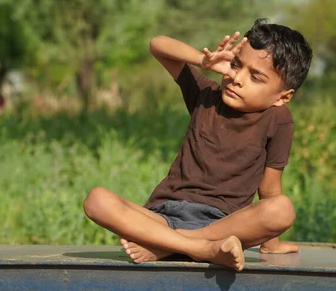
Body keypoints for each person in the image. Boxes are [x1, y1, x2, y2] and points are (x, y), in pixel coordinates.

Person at [83, 18, 313, 271]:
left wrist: (271, 244)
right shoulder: (205, 95)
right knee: (97, 200)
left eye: (256, 78)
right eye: (236, 65)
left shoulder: (278, 120)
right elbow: (158, 45)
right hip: (162, 218)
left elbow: (270, 188)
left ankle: (168, 246)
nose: (237, 78)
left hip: (223, 226)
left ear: (284, 96)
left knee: (282, 210)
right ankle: (199, 249)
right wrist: (202, 61)